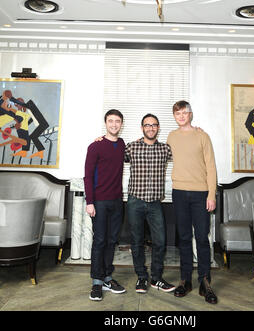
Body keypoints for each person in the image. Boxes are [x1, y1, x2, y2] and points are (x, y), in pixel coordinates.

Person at [167, 100, 218, 304]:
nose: (181, 116)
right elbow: (156, 151)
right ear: (174, 116)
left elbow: (212, 167)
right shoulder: (171, 136)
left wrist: (211, 195)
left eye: (184, 112)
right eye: (177, 113)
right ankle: (185, 280)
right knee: (185, 239)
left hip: (200, 194)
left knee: (202, 239)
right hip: (179, 192)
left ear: (190, 114)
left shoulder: (202, 136)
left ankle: (205, 283)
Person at [125, 114, 175, 294]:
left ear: (158, 128)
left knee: (160, 241)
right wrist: (101, 140)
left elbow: (185, 153)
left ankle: (156, 278)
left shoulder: (165, 149)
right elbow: (112, 156)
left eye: (154, 125)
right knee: (136, 241)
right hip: (135, 201)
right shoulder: (131, 147)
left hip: (155, 203)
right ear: (142, 128)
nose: (151, 128)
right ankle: (141, 277)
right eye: (147, 125)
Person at [84, 109, 126, 301]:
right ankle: (96, 282)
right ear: (105, 123)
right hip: (99, 202)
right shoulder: (95, 146)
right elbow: (88, 175)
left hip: (117, 201)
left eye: (117, 121)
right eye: (111, 121)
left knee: (111, 241)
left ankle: (108, 277)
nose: (114, 124)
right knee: (100, 241)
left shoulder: (122, 144)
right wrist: (90, 202)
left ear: (121, 124)